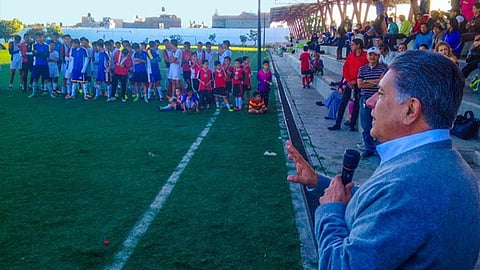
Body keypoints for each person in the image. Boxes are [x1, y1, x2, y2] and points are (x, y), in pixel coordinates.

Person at [286, 50, 480, 269]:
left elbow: (340, 265)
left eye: (380, 93)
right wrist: (321, 183)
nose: (369, 102)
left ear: (411, 110)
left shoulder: (407, 187)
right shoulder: (448, 165)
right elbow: (382, 205)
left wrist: (330, 211)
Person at [328, 38, 368, 131]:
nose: (351, 46)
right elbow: (345, 69)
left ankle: (352, 125)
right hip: (350, 83)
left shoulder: (365, 56)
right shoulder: (350, 56)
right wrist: (349, 81)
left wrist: (355, 80)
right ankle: (337, 123)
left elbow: (365, 70)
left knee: (356, 104)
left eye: (352, 44)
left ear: (358, 45)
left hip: (359, 83)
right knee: (343, 103)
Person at [357, 46, 388, 158]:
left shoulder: (384, 68)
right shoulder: (362, 69)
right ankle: (369, 148)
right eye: (370, 54)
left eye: (375, 55)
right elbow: (360, 84)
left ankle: (379, 148)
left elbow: (382, 83)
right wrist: (376, 82)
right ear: (367, 56)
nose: (372, 57)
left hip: (379, 99)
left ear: (378, 56)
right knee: (366, 125)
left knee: (380, 124)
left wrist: (368, 81)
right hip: (365, 98)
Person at [29, 33, 52, 98]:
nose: (40, 39)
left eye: (41, 37)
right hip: (37, 65)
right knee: (35, 79)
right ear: (36, 38)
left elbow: (47, 55)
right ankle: (34, 93)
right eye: (38, 37)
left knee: (47, 79)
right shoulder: (34, 45)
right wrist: (42, 54)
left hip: (45, 65)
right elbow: (34, 54)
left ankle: (51, 93)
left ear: (44, 38)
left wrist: (38, 53)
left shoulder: (47, 46)